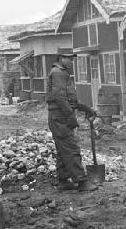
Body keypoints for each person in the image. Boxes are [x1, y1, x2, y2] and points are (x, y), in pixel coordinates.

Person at [46, 49, 98, 192]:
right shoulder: (58, 73)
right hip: (60, 117)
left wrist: (85, 108)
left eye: (72, 59)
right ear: (60, 58)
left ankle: (63, 181)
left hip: (59, 116)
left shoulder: (63, 74)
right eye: (67, 58)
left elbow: (70, 100)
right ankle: (81, 182)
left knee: (63, 149)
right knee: (71, 149)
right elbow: (60, 98)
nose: (70, 61)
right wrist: (70, 116)